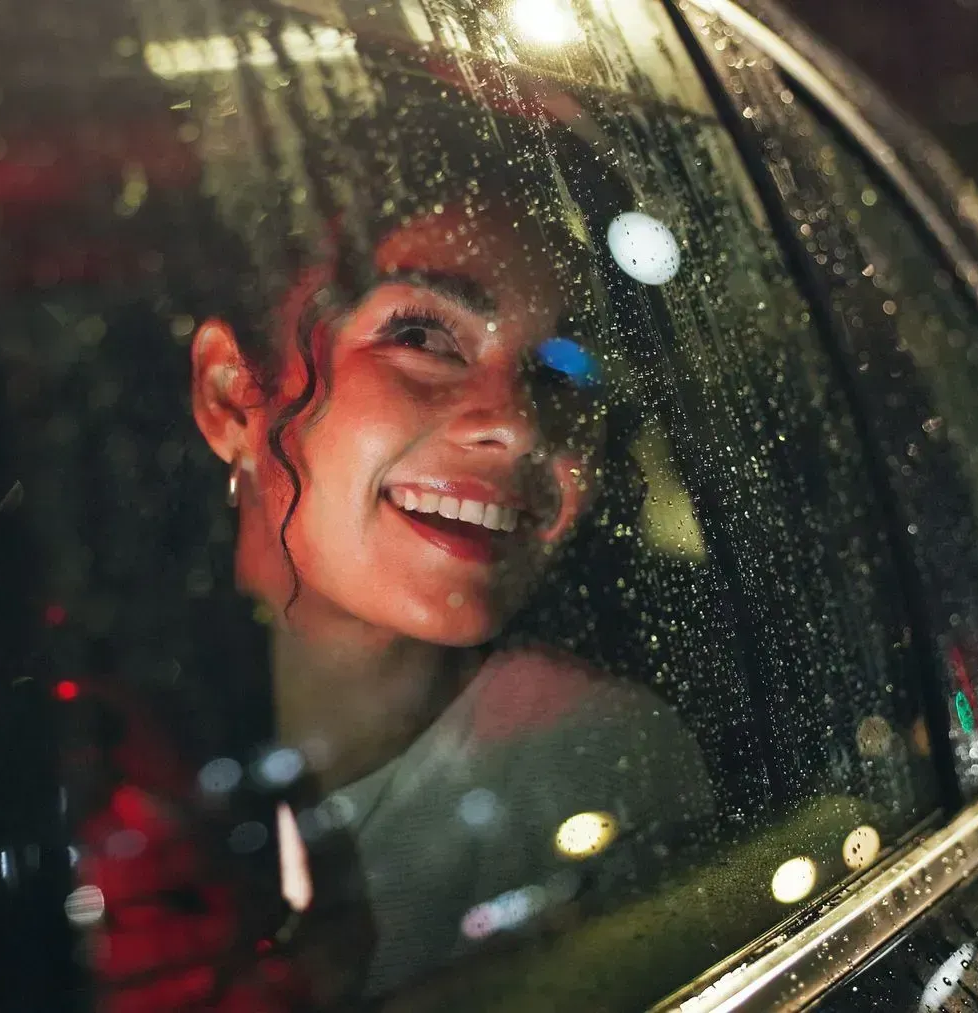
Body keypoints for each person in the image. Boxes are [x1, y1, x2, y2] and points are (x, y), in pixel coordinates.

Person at [183, 183, 715, 997]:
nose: (521, 424)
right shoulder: (94, 765)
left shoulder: (591, 765)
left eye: (558, 371)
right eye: (424, 334)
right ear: (233, 395)